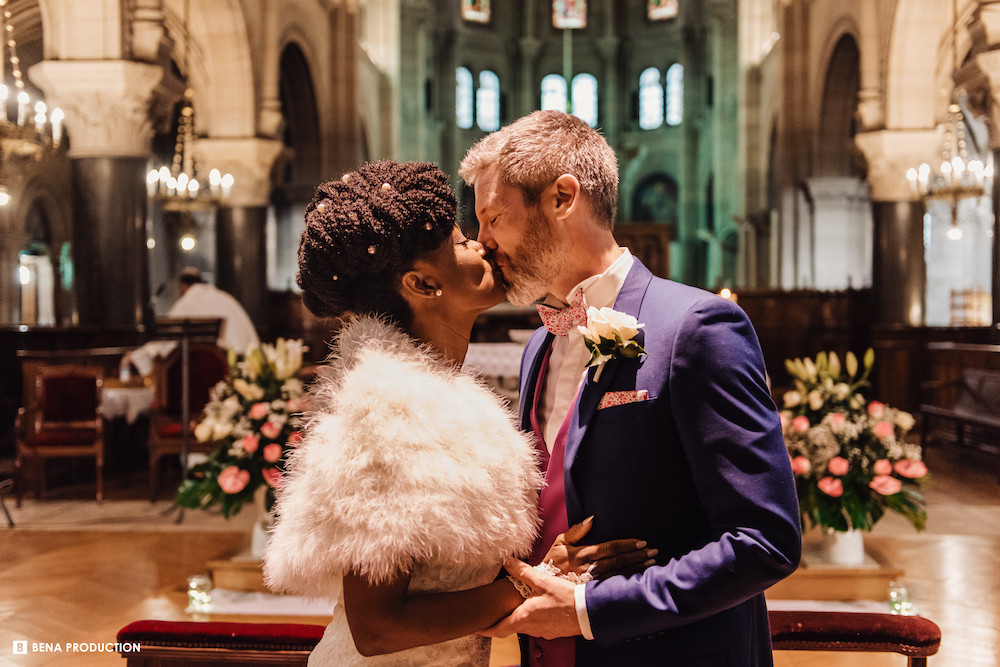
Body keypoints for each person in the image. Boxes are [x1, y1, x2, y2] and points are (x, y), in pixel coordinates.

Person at [262, 161, 649, 666]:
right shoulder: (386, 411)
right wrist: (536, 582)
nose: (484, 245)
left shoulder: (436, 389)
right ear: (423, 284)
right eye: (463, 242)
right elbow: (376, 628)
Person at [458, 111, 802, 666]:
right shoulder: (535, 349)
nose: (482, 243)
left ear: (562, 198)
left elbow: (765, 540)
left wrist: (592, 608)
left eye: (494, 218)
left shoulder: (697, 327)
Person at [122, 268, 260, 377]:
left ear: (183, 285)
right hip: (231, 368)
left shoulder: (186, 303)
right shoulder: (226, 298)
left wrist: (137, 356)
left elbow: (165, 344)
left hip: (195, 376)